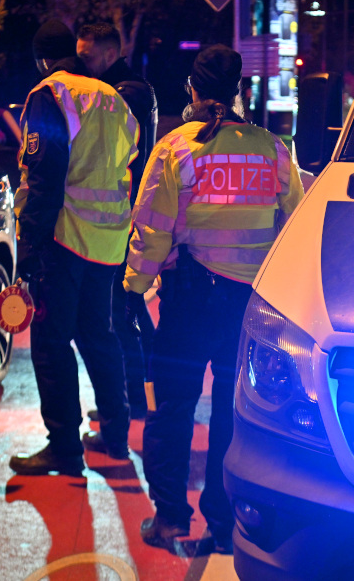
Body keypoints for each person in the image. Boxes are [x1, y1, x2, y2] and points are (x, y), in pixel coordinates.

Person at [125, 45, 305, 552]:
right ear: (240, 91)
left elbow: (152, 230)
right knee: (234, 411)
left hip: (187, 301)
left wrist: (135, 289)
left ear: (192, 90)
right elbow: (293, 223)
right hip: (248, 308)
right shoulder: (272, 149)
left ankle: (169, 518)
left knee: (171, 406)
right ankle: (224, 526)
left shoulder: (176, 148)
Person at [9, 19, 138, 477]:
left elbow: (43, 182)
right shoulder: (114, 98)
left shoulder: (50, 95)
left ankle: (63, 447)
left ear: (43, 59)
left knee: (50, 343)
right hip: (108, 243)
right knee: (99, 336)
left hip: (65, 242)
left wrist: (28, 250)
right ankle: (117, 434)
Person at [77, 22, 158, 419]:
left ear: (110, 54)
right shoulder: (129, 90)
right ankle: (141, 396)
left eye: (87, 56)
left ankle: (133, 401)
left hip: (122, 220)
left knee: (120, 314)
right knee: (127, 309)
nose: (81, 64)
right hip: (122, 217)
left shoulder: (124, 94)